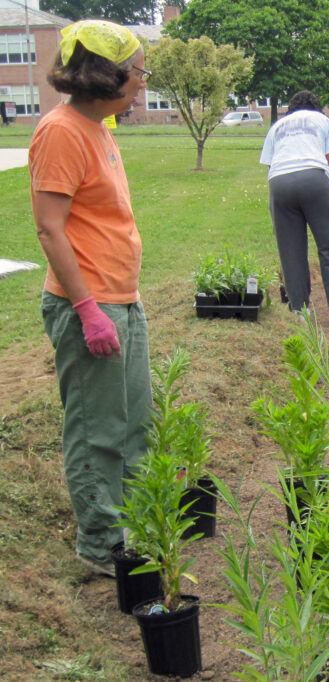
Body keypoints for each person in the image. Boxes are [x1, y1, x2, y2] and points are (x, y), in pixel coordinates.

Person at [29, 19, 152, 577]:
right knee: (96, 429)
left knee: (132, 426)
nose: (143, 83)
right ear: (108, 75)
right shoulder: (61, 132)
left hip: (120, 299)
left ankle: (130, 526)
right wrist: (87, 311)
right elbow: (50, 229)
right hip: (91, 308)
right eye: (138, 72)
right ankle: (101, 544)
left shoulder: (99, 127)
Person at [259, 90, 329, 322]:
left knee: (291, 251)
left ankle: (299, 310)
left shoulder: (277, 127)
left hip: (279, 184)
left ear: (291, 108)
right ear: (317, 107)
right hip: (315, 180)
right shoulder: (323, 121)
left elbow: (271, 166)